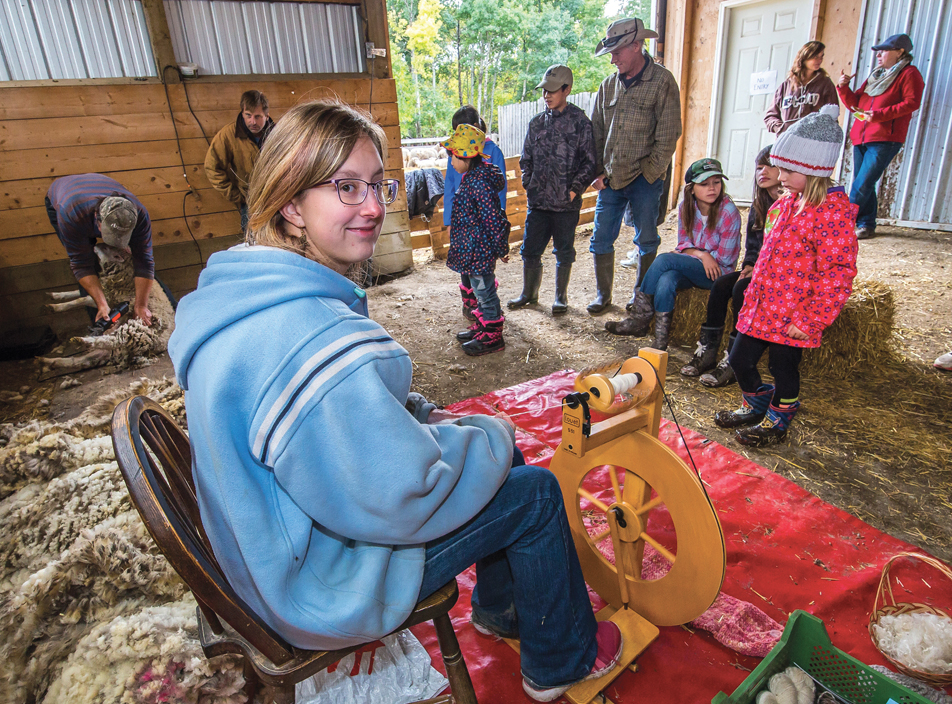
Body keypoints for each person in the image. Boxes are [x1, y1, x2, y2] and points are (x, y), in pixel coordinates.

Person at [167, 100, 622, 703]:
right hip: (315, 583)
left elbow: (344, 435)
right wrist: (486, 436)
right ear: (290, 205)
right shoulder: (312, 337)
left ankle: (501, 609)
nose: (375, 207)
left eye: (377, 185)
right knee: (533, 492)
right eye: (345, 188)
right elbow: (402, 495)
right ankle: (560, 662)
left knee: (492, 460)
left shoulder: (244, 292)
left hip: (261, 547)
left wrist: (431, 420)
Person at [715, 105, 857, 446]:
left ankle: (779, 419)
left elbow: (838, 273)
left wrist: (812, 319)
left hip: (795, 314)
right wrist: (752, 292)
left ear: (813, 170)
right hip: (763, 305)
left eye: (787, 170)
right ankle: (757, 403)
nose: (779, 177)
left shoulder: (833, 216)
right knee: (739, 358)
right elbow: (766, 255)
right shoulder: (783, 205)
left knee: (784, 368)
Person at [587, 17, 682, 315]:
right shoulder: (608, 86)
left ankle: (642, 297)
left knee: (647, 238)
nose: (612, 59)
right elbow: (597, 131)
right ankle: (604, 296)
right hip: (612, 177)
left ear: (637, 46)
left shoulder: (662, 81)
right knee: (601, 237)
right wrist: (598, 171)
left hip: (645, 176)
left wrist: (651, 173)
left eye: (617, 52)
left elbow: (668, 135)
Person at [604, 158, 740, 350]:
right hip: (697, 263)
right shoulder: (687, 206)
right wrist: (701, 255)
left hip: (718, 273)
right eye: (704, 184)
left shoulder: (728, 212)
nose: (712, 188)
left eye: (716, 182)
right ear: (692, 188)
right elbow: (683, 242)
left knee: (665, 260)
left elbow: (724, 260)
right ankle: (660, 339)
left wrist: (691, 254)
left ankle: (639, 319)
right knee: (667, 278)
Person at [682, 146, 781, 384]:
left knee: (740, 290)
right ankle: (708, 351)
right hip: (759, 268)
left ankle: (734, 360)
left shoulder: (790, 205)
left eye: (769, 166)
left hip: (779, 273)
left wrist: (756, 270)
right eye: (759, 167)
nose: (762, 171)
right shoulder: (759, 206)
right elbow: (753, 247)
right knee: (721, 286)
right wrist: (748, 265)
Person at [509, 64, 597, 315]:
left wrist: (573, 190)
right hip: (538, 204)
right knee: (529, 250)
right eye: (543, 91)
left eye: (552, 90)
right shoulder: (536, 123)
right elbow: (526, 159)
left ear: (567, 89)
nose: (546, 95)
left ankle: (561, 296)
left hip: (565, 206)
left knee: (564, 251)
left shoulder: (581, 123)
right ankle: (529, 293)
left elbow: (590, 162)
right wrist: (530, 183)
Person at [837, 33, 925, 240]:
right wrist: (843, 87)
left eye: (884, 51)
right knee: (864, 182)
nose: (878, 55)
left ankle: (842, 224)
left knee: (862, 183)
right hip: (861, 136)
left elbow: (912, 102)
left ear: (900, 52)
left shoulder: (909, 73)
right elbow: (854, 104)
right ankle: (866, 225)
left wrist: (879, 115)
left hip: (886, 138)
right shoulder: (875, 76)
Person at [45, 173, 155, 325]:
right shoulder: (73, 215)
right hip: (66, 197)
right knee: (89, 261)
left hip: (97, 188)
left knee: (132, 259)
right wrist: (102, 304)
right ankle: (101, 320)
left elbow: (145, 260)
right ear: (97, 221)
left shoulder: (139, 215)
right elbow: (81, 265)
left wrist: (141, 305)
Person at [442, 124, 511, 356]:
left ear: (465, 156)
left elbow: (493, 218)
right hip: (471, 250)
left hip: (479, 251)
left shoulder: (479, 183)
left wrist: (501, 247)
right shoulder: (471, 177)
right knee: (478, 291)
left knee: (485, 292)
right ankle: (484, 327)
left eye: (452, 156)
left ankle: (493, 336)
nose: (450, 162)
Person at [205, 90, 276, 231]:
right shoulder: (228, 135)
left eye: (258, 116)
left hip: (276, 197)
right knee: (251, 240)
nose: (252, 121)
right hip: (250, 201)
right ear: (242, 113)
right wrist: (236, 195)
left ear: (267, 116)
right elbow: (212, 167)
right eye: (248, 116)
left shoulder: (279, 134)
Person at [764, 41, 839, 136]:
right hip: (786, 141)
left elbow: (833, 115)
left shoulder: (825, 84)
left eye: (821, 56)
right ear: (804, 57)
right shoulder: (786, 86)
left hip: (813, 141)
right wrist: (782, 128)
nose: (819, 60)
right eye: (815, 57)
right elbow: (770, 116)